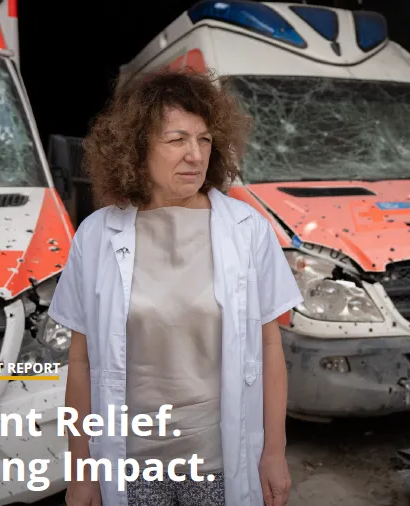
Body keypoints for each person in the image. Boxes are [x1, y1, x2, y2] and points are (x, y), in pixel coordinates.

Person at [48, 68, 304, 506]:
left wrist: (274, 453)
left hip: (221, 462)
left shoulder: (248, 231)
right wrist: (82, 473)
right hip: (133, 465)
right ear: (136, 148)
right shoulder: (95, 236)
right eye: (176, 140)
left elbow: (270, 348)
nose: (195, 155)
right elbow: (81, 362)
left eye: (204, 139)